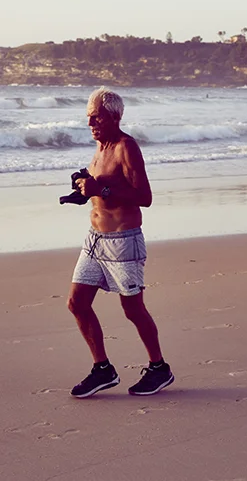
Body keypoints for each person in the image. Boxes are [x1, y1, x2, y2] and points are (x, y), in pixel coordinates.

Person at [66, 87, 174, 398]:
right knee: (77, 303)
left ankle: (159, 368)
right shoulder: (99, 148)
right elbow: (100, 185)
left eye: (96, 118)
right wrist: (81, 188)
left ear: (113, 117)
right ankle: (103, 369)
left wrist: (102, 189)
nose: (90, 124)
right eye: (88, 118)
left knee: (132, 309)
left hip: (124, 242)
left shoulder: (126, 147)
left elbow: (144, 197)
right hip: (94, 241)